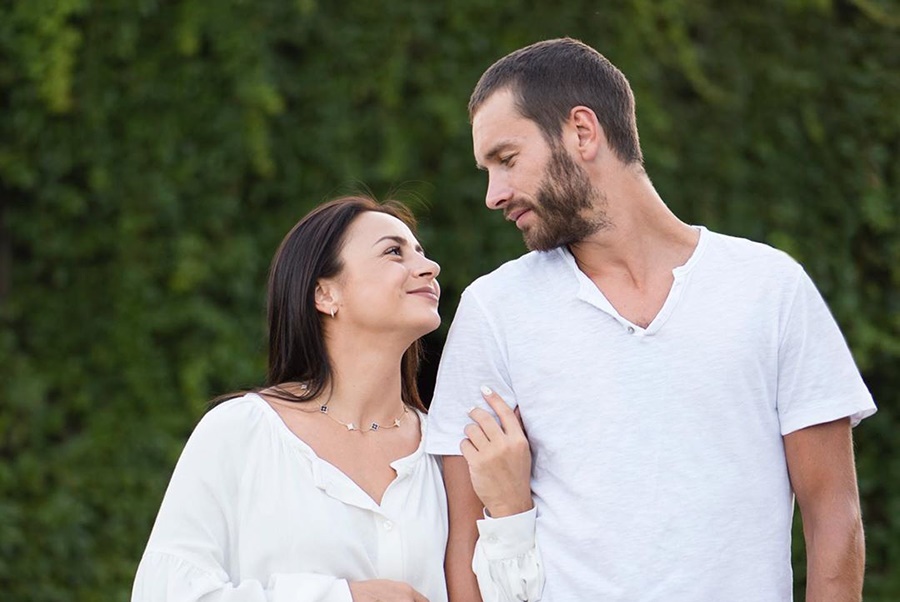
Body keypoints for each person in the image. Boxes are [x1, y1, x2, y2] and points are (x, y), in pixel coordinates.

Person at [425, 38, 876, 601]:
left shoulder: (771, 288)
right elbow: (464, 545)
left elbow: (834, 516)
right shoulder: (494, 309)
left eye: (507, 160)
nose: (494, 194)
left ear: (582, 132)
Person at [132, 196, 542, 602]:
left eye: (421, 252)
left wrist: (512, 509)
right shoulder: (240, 432)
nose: (429, 266)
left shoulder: (447, 452)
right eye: (393, 252)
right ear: (325, 294)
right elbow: (163, 592)